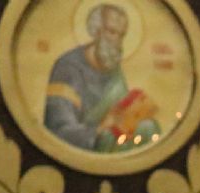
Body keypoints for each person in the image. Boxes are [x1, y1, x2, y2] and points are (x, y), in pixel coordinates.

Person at [44, 3, 161, 153]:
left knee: (148, 127)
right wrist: (99, 128)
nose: (117, 41)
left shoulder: (112, 66)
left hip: (110, 139)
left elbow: (120, 111)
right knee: (108, 137)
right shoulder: (68, 68)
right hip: (81, 150)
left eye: (121, 35)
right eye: (111, 32)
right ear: (96, 31)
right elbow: (58, 131)